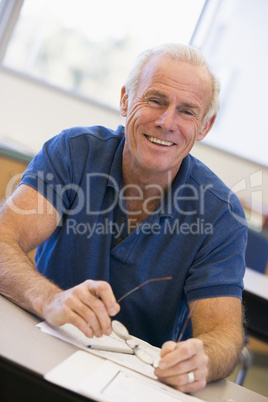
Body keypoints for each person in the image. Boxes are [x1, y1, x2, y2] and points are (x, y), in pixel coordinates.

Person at [0, 43, 247, 393]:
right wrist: (48, 298)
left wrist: (202, 358)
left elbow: (224, 334)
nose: (166, 122)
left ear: (205, 127)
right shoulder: (73, 153)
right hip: (38, 351)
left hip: (137, 385)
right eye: (156, 100)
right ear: (125, 100)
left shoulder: (219, 212)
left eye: (187, 112)